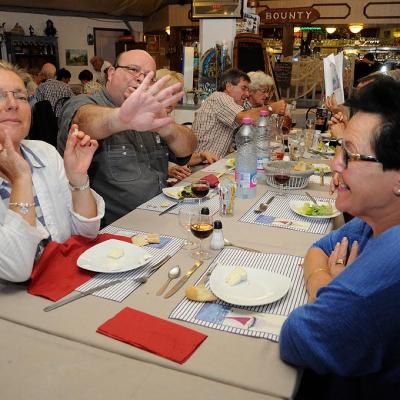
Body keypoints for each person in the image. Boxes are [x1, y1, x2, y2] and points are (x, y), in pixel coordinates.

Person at [280, 77, 400, 398]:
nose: (335, 163)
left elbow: (295, 337)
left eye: (349, 154)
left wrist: (331, 288)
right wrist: (326, 280)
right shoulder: (377, 218)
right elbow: (320, 248)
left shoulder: (386, 268)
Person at [58, 50, 196, 226]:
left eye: (148, 76)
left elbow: (188, 147)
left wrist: (165, 126)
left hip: (160, 218)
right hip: (115, 232)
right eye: (133, 69)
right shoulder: (84, 103)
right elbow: (83, 120)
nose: (140, 79)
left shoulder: (149, 112)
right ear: (111, 73)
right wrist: (121, 118)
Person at [0, 60, 105, 282]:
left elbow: (86, 233)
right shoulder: (25, 171)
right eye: (0, 95)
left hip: (62, 281)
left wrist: (78, 179)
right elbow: (18, 269)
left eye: (20, 96)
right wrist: (20, 179)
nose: (12, 104)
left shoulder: (45, 153)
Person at [155, 69, 219, 182]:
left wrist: (201, 156)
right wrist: (168, 169)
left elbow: (181, 158)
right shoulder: (143, 125)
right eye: (166, 93)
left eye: (175, 95)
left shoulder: (170, 124)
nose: (171, 99)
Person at [192, 68, 268, 158]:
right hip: (201, 165)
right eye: (244, 88)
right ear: (228, 87)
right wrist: (272, 108)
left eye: (248, 90)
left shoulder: (237, 103)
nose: (247, 94)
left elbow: (255, 122)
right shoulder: (219, 97)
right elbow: (246, 118)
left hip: (216, 163)